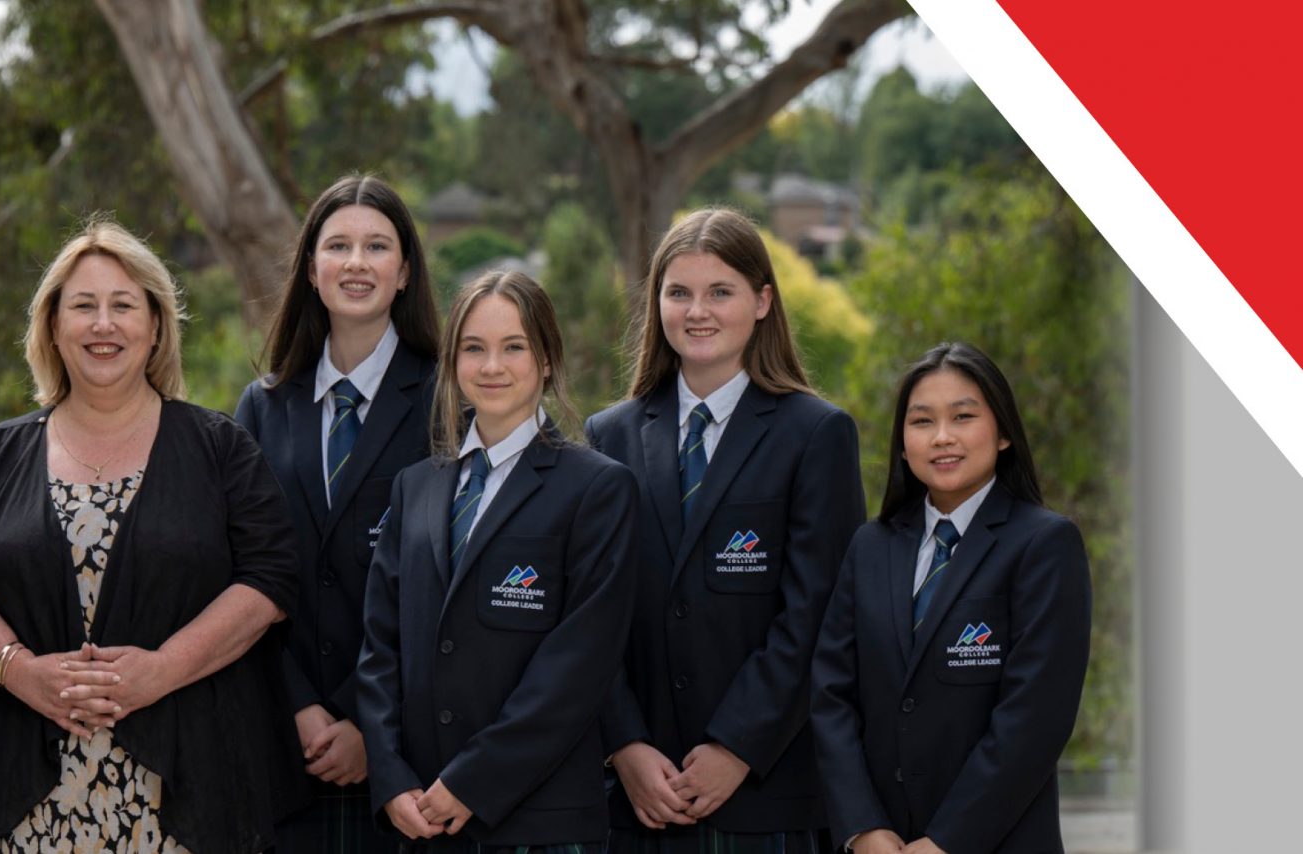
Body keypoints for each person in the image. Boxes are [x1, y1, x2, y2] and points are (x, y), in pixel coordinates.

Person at [0, 217, 302, 853]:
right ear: (54, 328)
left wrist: (164, 670)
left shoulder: (221, 449)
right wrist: (19, 671)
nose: (103, 324)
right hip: (19, 797)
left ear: (157, 325)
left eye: (123, 305)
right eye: (83, 306)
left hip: (183, 793)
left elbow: (270, 577)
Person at [585, 208, 863, 853]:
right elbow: (590, 616)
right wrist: (625, 745)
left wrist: (736, 745)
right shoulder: (609, 436)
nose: (697, 311)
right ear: (656, 304)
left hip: (767, 794)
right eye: (678, 293)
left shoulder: (816, 435)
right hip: (639, 799)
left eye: (720, 292)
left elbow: (817, 615)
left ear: (763, 301)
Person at [354, 271, 635, 853]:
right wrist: (390, 779)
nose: (492, 367)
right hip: (421, 816)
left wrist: (471, 782)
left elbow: (577, 668)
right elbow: (380, 648)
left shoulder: (597, 489)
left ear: (548, 359)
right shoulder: (415, 488)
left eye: (514, 348)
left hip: (541, 821)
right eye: (473, 348)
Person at [811, 342, 1090, 854]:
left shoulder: (1044, 545)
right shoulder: (870, 546)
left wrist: (945, 842)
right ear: (902, 442)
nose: (942, 438)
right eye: (921, 422)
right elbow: (830, 695)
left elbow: (1034, 718)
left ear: (1003, 432)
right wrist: (862, 826)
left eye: (963, 417)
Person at [231, 174, 441, 853]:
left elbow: (451, 583)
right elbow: (241, 569)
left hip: (409, 757)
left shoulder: (450, 402)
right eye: (339, 246)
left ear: (404, 272)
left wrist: (360, 721)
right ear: (312, 271)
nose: (357, 263)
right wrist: (299, 706)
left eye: (377, 246)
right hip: (282, 747)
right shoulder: (262, 407)